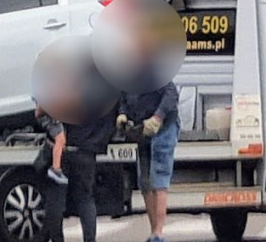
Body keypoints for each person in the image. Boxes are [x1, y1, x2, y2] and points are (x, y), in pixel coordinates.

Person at [38, 106, 116, 242]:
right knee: (85, 199)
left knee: (55, 200)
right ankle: (90, 239)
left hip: (61, 150)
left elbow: (43, 110)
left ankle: (57, 239)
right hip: (86, 150)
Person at [119, 81, 180, 242]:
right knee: (145, 182)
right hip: (143, 128)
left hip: (164, 126)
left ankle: (159, 233)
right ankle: (154, 231)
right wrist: (122, 113)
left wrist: (157, 118)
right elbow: (124, 98)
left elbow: (171, 94)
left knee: (159, 176)